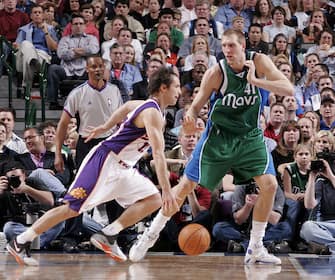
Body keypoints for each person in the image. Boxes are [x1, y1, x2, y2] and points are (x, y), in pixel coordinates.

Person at [129, 29, 294, 265]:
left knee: (269, 185)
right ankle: (149, 236)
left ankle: (256, 247)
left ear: (243, 45)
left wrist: (255, 81)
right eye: (224, 46)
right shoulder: (217, 72)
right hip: (218, 137)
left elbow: (288, 89)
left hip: (249, 137)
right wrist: (190, 118)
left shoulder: (259, 62)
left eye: (232, 46)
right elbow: (195, 106)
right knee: (186, 185)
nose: (227, 50)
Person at [6, 66, 180, 266]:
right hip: (106, 161)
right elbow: (158, 154)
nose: (179, 91)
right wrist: (167, 190)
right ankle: (21, 241)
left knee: (153, 199)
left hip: (124, 168)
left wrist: (105, 126)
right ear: (164, 88)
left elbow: (125, 107)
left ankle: (108, 234)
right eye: (176, 86)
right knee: (71, 208)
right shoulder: (152, 113)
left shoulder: (149, 107)